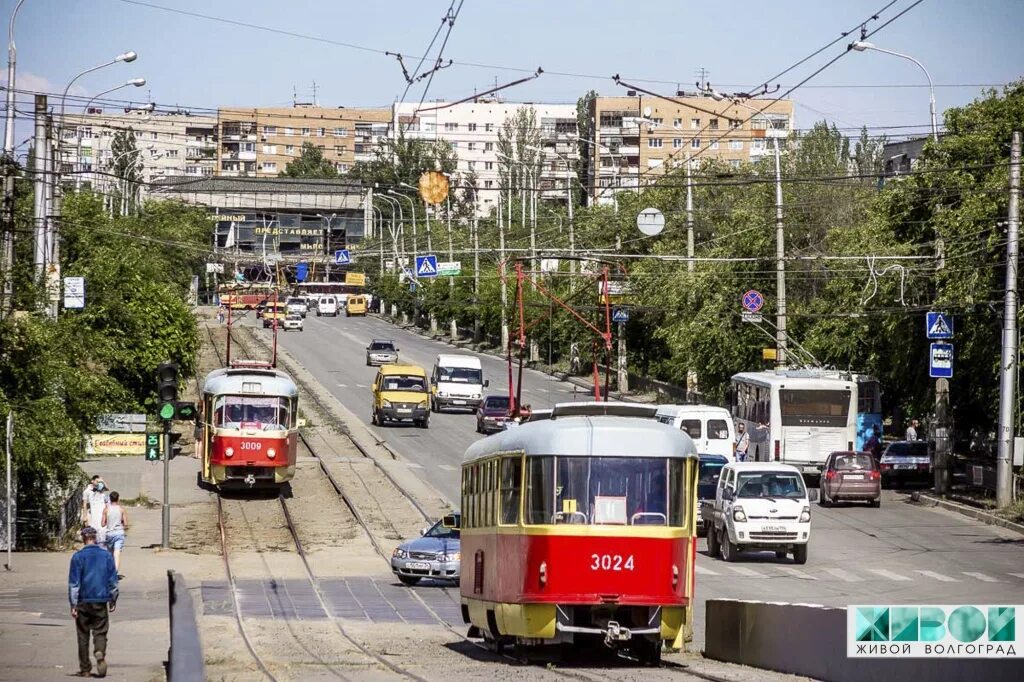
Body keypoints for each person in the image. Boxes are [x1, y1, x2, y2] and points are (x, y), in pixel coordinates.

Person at [68, 526, 118, 678]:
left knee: (83, 635)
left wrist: (73, 604)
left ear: (83, 539)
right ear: (95, 538)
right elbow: (113, 581)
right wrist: (113, 598)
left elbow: (74, 584)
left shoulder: (77, 557)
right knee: (100, 630)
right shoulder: (106, 556)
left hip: (83, 600)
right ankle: (99, 651)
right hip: (100, 599)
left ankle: (85, 669)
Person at [102, 491, 128, 576]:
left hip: (109, 533)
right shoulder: (121, 509)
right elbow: (126, 523)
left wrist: (108, 522)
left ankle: (109, 571)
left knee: (110, 553)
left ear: (110, 499)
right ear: (118, 499)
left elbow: (102, 523)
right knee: (117, 553)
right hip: (119, 533)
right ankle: (115, 572)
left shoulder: (106, 509)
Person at [83, 477, 109, 544]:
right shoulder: (87, 491)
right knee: (94, 529)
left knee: (102, 530)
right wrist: (85, 516)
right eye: (97, 481)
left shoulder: (100, 489)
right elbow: (84, 504)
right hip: (94, 514)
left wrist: (102, 481)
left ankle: (102, 544)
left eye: (99, 481)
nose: (98, 483)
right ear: (92, 481)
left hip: (102, 513)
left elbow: (107, 488)